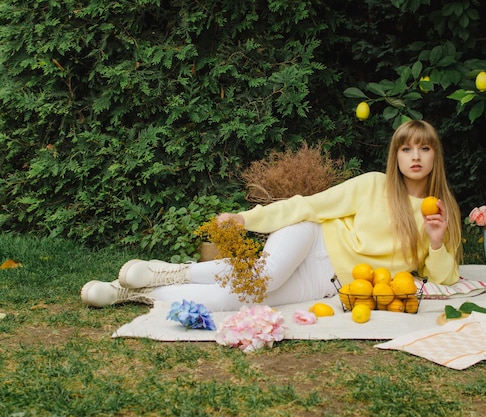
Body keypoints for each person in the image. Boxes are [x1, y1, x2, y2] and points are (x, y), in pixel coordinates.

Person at [81, 120, 463, 310]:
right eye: (407, 149)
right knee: (265, 276)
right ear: (395, 155)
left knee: (244, 299)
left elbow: (443, 277)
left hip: (329, 282)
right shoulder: (373, 185)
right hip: (313, 239)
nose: (415, 157)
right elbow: (307, 206)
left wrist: (434, 240)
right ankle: (172, 271)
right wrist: (248, 219)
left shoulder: (442, 213)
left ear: (435, 156)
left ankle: (130, 293)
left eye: (424, 149)